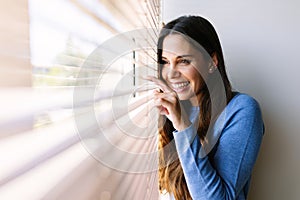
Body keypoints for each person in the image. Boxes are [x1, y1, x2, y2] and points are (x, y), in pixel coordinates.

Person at [147, 16, 264, 199]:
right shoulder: (166, 112)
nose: (171, 73)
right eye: (165, 61)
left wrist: (183, 125)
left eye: (183, 61)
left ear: (212, 62)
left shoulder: (241, 110)